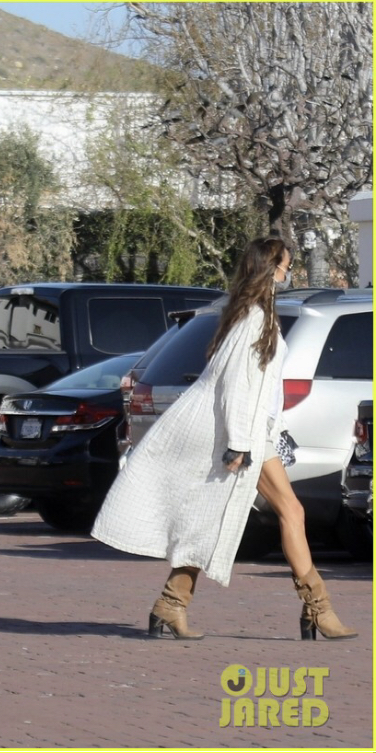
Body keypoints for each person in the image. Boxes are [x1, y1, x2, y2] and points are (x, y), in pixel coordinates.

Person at [91, 236, 356, 641]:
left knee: (212, 516)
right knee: (289, 512)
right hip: (240, 433)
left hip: (252, 431)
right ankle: (318, 610)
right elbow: (235, 384)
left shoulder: (252, 313)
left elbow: (262, 387)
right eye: (285, 265)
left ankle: (171, 605)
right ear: (271, 267)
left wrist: (272, 431)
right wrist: (240, 443)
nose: (288, 272)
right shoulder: (254, 318)